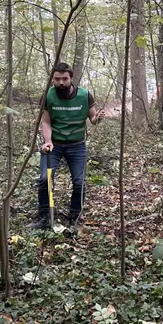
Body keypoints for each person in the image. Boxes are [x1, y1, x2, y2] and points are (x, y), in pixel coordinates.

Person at [28, 62, 105, 229]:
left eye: (64, 79)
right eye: (57, 79)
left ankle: (75, 217)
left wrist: (98, 118)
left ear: (71, 78)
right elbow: (46, 122)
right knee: (44, 179)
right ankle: (44, 217)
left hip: (77, 145)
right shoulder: (47, 96)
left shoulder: (85, 95)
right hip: (54, 144)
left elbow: (92, 119)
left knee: (79, 183)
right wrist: (47, 141)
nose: (61, 83)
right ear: (52, 79)